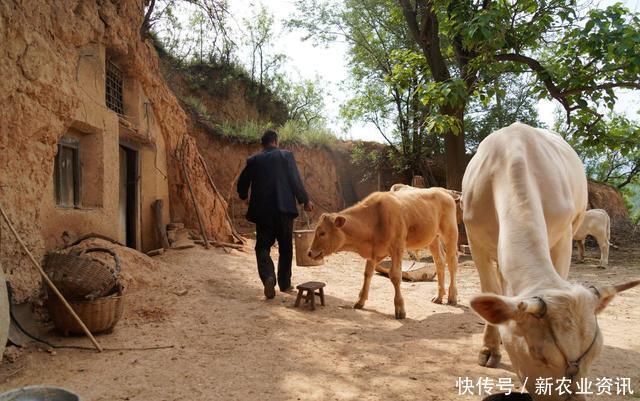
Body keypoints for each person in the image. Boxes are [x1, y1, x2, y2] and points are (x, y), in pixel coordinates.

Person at [237, 130, 314, 299]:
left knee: (262, 246)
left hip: (263, 212)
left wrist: (244, 196)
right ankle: (285, 284)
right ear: (276, 142)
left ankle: (268, 277)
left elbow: (242, 183)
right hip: (284, 210)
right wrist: (305, 200)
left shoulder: (254, 160)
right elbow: (295, 180)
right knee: (286, 248)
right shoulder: (286, 156)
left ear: (262, 144)